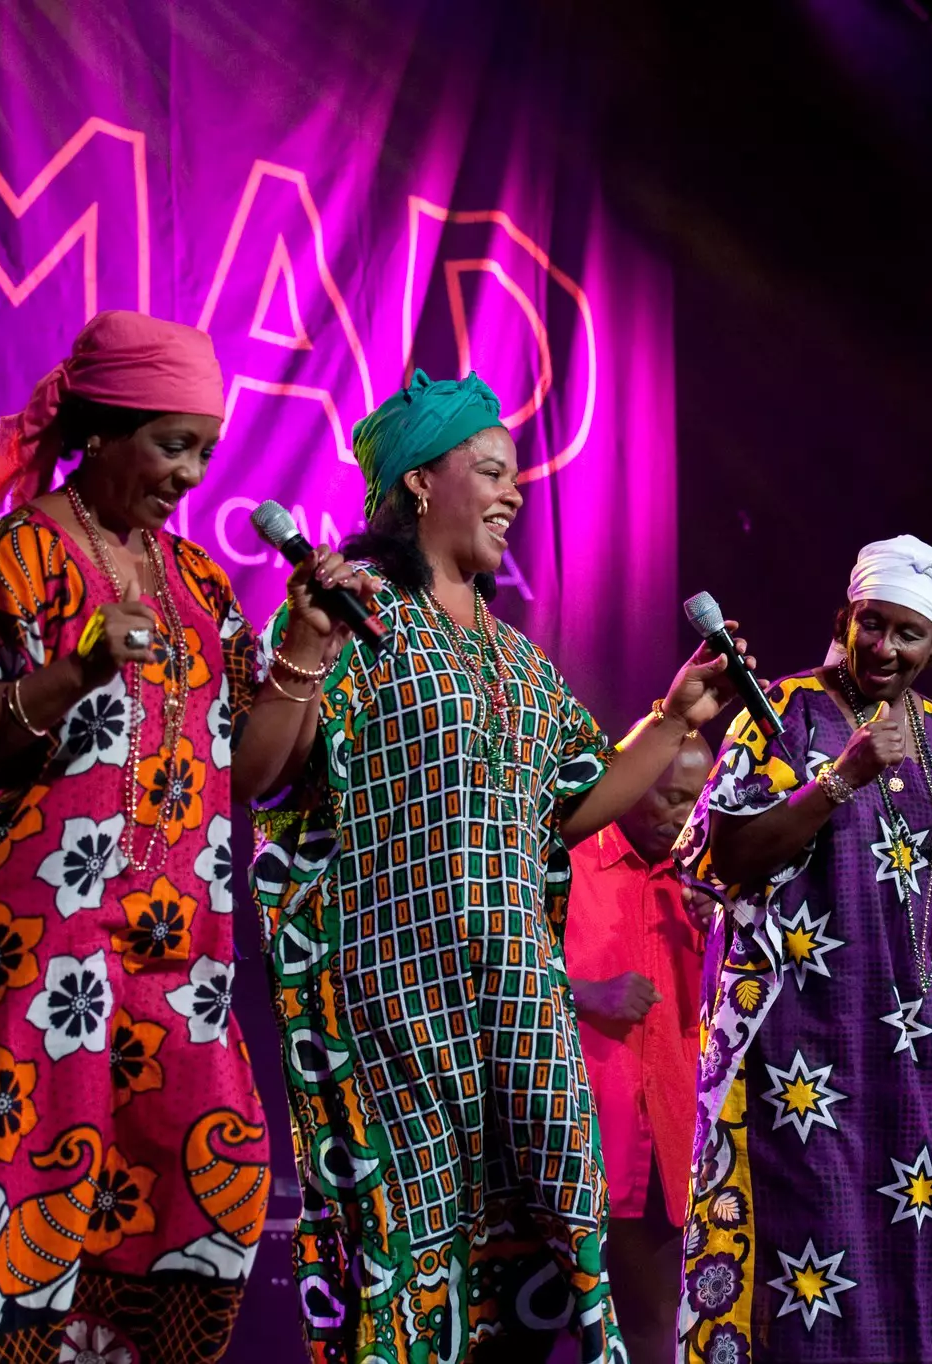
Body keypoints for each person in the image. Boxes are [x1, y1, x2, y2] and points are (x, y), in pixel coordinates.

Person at [0, 311, 368, 1362]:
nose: (190, 471)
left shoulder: (197, 582)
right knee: (25, 1227)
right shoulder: (22, 557)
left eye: (204, 446)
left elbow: (253, 772)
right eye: (170, 442)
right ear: (100, 430)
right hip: (33, 954)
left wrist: (308, 646)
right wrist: (72, 672)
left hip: (174, 957)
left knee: (200, 1213)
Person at [247, 370, 747, 1364]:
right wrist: (302, 639)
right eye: (490, 469)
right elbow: (262, 775)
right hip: (395, 992)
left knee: (541, 1250)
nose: (514, 492)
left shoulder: (518, 658)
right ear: (420, 483)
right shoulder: (356, 613)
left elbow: (578, 803)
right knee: (411, 1248)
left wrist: (675, 711)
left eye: (514, 474)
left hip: (516, 993)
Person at [676, 535, 932, 1364]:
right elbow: (727, 857)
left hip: (907, 1046)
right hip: (797, 1044)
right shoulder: (782, 710)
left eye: (907, 635)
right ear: (846, 617)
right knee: (812, 1267)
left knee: (927, 1250)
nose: (884, 647)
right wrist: (837, 779)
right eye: (871, 625)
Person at [562, 735, 716, 1364]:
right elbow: (489, 968)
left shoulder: (705, 880)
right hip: (576, 1138)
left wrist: (724, 931)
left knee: (656, 1328)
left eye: (694, 802)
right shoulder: (565, 859)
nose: (682, 817)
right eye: (670, 798)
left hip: (668, 1147)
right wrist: (586, 994)